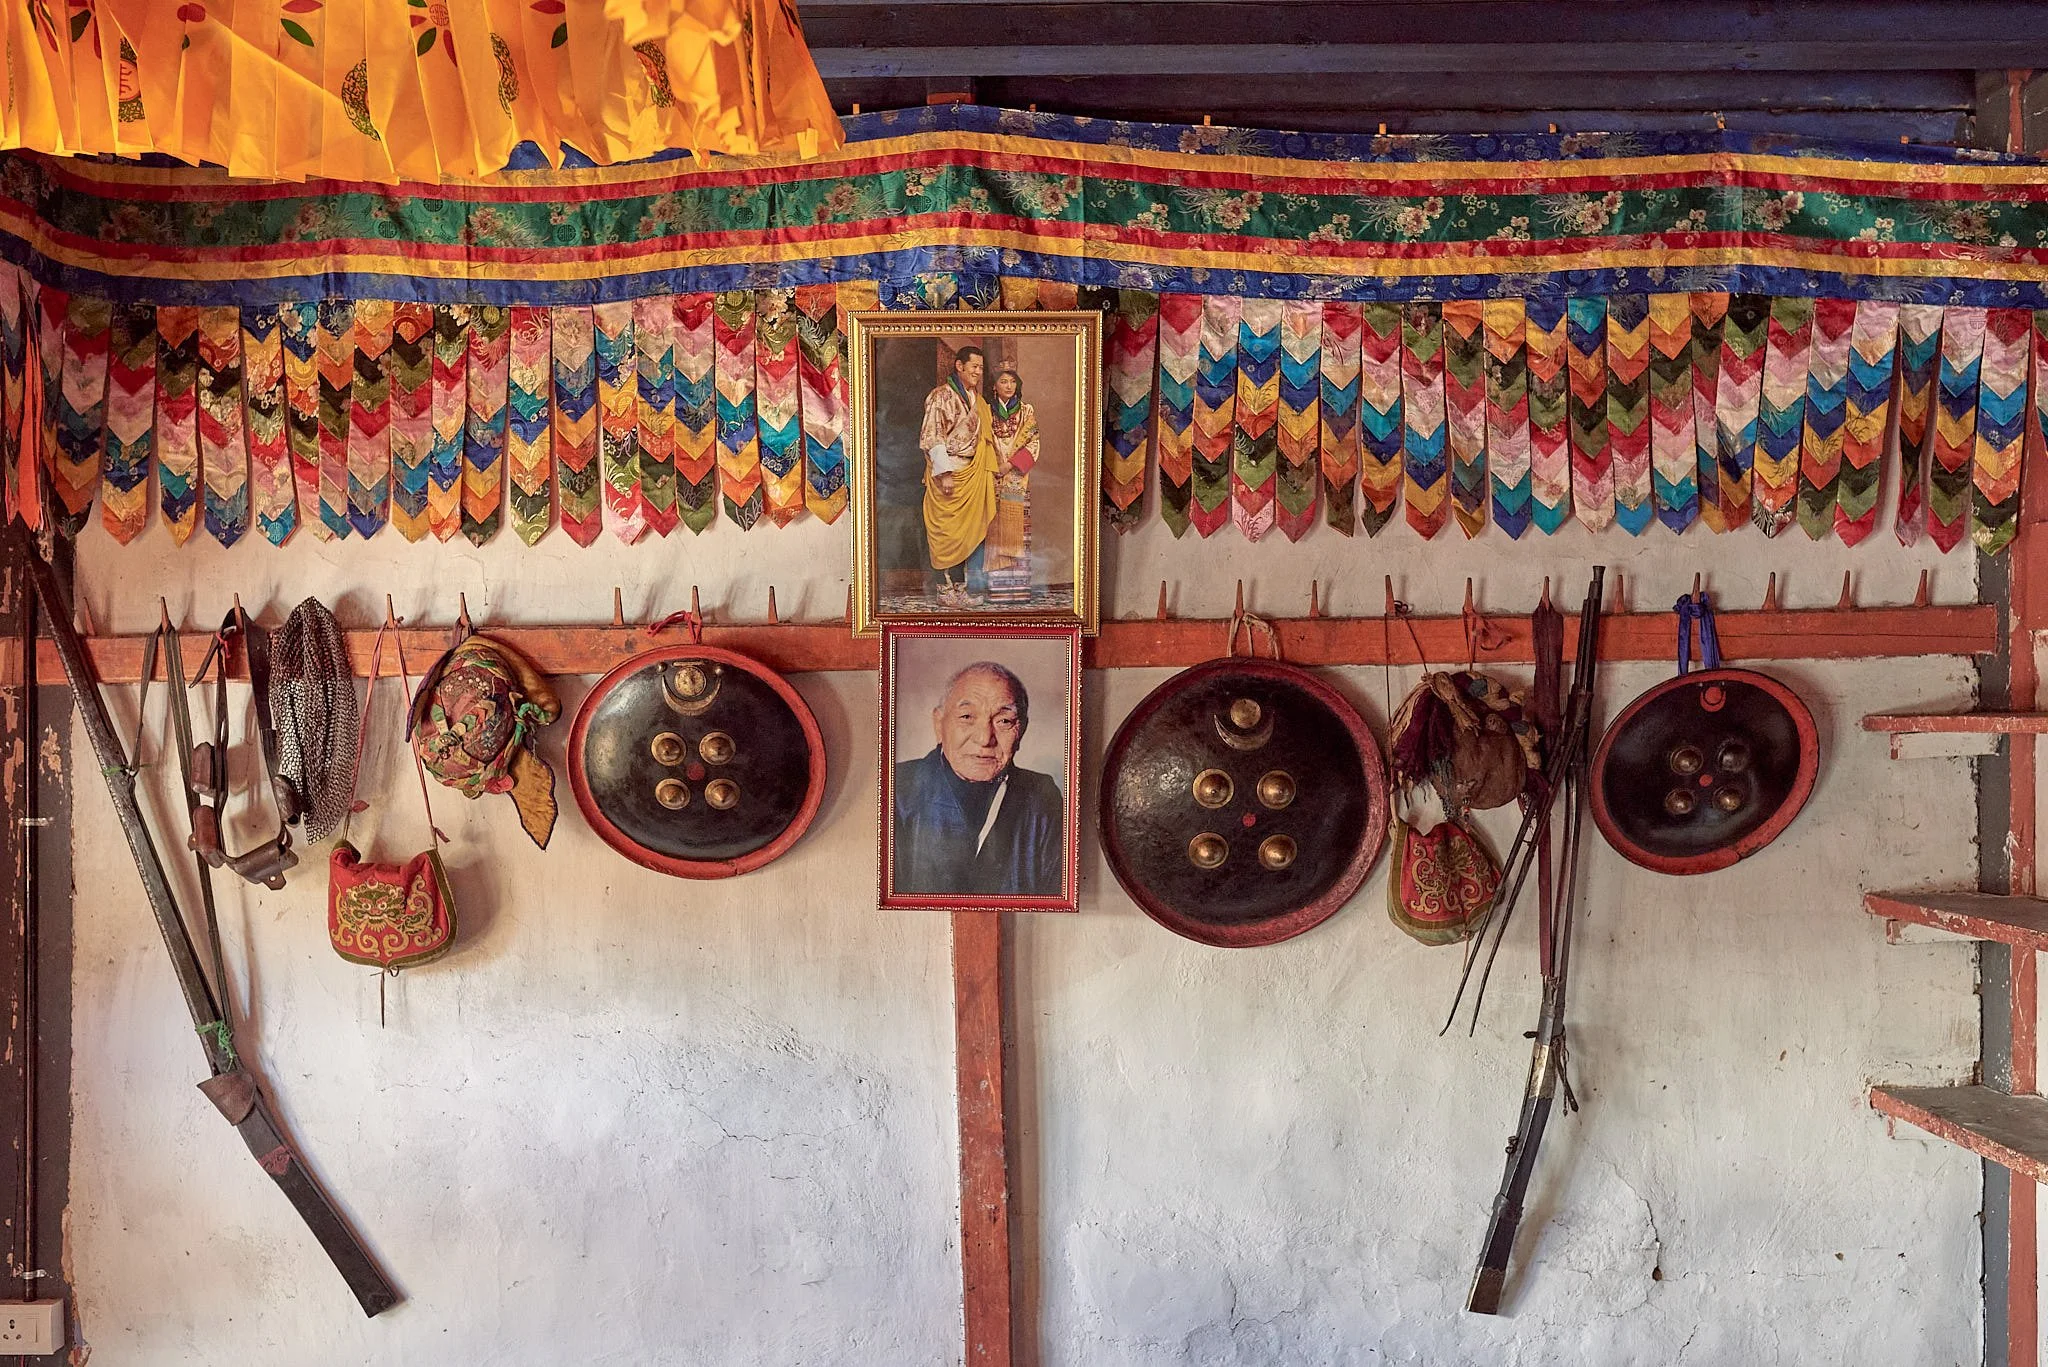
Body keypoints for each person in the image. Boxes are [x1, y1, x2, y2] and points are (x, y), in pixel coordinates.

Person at [893, 661, 1064, 897]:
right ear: (939, 724)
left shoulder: (1042, 797)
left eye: (1004, 721)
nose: (985, 738)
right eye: (966, 716)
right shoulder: (898, 789)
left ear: (1021, 730)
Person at [917, 346, 999, 606]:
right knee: (946, 533)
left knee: (965, 534)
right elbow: (933, 436)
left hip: (971, 472)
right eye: (974, 366)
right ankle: (944, 590)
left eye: (981, 368)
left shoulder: (977, 400)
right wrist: (945, 474)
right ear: (959, 366)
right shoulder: (941, 396)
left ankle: (960, 589)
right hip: (948, 471)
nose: (978, 372)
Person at [984, 367, 1039, 604]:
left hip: (1016, 477)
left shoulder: (1027, 411)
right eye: (1003, 381)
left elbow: (1033, 442)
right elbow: (982, 442)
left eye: (1012, 382)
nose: (1008, 386)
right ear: (994, 386)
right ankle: (998, 590)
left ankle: (1019, 589)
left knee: (1018, 530)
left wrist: (1009, 465)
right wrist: (993, 465)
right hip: (992, 475)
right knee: (994, 530)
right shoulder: (986, 411)